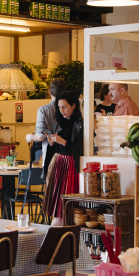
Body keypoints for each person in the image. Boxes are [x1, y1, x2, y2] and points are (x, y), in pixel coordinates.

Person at [41, 91, 83, 225]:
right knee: (57, 200)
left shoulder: (79, 123)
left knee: (66, 202)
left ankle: (59, 228)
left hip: (69, 164)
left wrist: (63, 142)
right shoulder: (61, 122)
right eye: (59, 107)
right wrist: (53, 143)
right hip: (59, 163)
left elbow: (78, 147)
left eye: (65, 107)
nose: (62, 110)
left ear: (74, 105)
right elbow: (57, 146)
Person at [25, 78, 67, 174]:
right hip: (67, 156)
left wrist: (30, 136)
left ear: (49, 92)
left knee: (50, 182)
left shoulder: (43, 110)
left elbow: (40, 136)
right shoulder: (70, 109)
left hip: (50, 157)